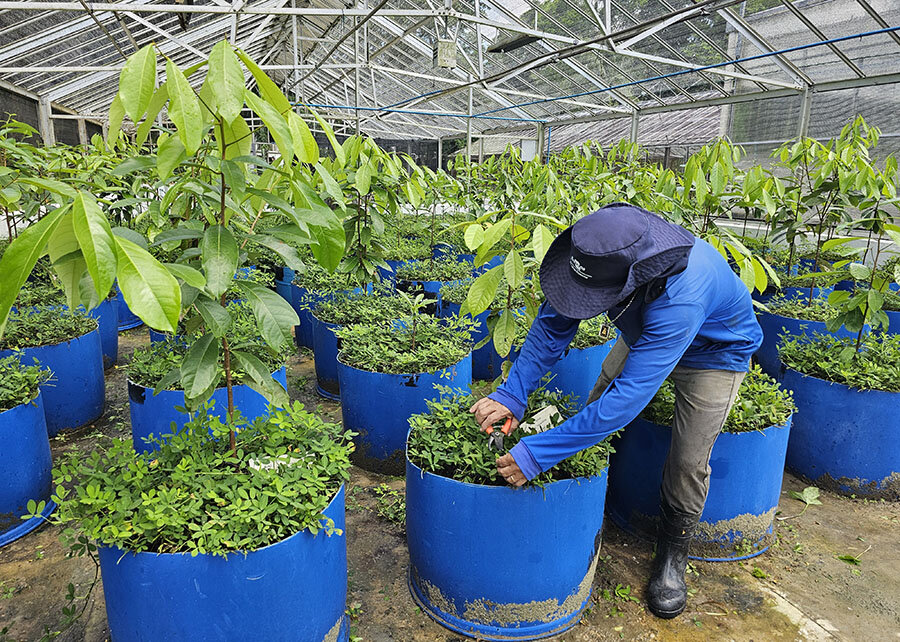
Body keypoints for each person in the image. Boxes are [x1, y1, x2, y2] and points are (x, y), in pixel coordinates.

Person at [470, 203, 763, 619]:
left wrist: (536, 452)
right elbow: (555, 322)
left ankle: (672, 555)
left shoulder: (681, 293)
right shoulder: (606, 250)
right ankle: (593, 498)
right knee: (595, 404)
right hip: (646, 333)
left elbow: (626, 401)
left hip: (713, 355)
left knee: (687, 459)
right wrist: (512, 394)